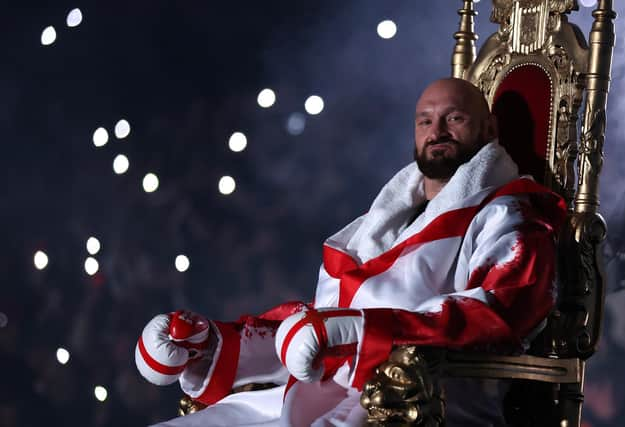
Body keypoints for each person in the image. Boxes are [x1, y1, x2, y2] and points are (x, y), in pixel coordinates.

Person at [135, 78, 566, 426]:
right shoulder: (384, 220)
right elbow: (321, 318)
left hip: (418, 399)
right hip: (324, 390)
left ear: (488, 130)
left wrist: (359, 331)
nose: (436, 132)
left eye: (453, 118)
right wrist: (213, 344)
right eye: (424, 121)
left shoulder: (510, 213)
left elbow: (502, 310)